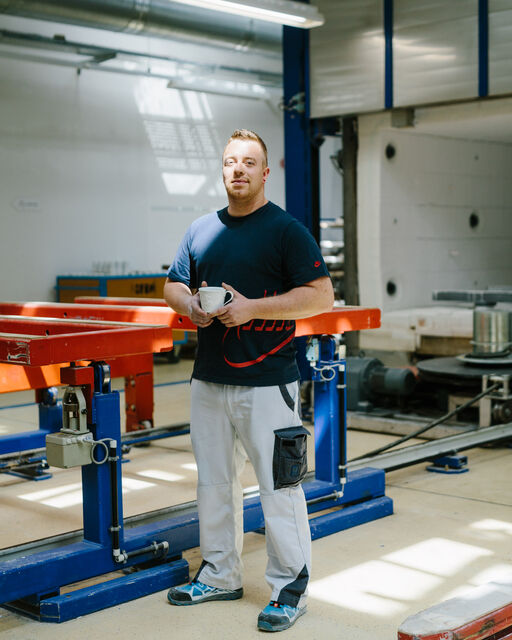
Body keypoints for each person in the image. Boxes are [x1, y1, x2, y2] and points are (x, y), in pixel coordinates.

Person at [163, 129, 334, 632]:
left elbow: (321, 295)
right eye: (230, 161)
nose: (238, 169)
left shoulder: (285, 231)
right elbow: (173, 284)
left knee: (279, 488)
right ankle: (219, 574)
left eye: (249, 162)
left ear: (264, 173)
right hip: (208, 380)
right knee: (214, 483)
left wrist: (254, 308)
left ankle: (289, 588)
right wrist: (189, 305)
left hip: (268, 384)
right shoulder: (200, 230)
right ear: (223, 170)